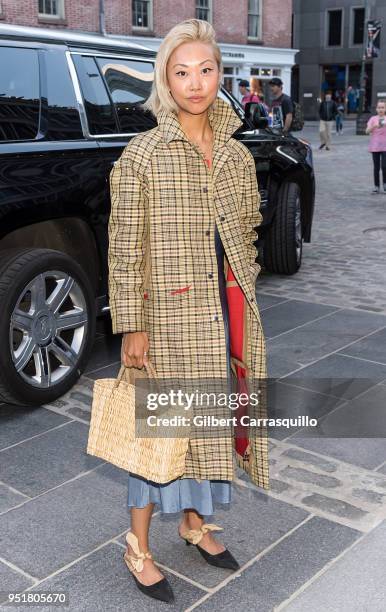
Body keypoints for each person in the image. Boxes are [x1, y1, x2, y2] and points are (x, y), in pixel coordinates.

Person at [108, 18, 269, 604]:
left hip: (223, 313)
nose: (195, 83)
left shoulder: (234, 155)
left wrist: (243, 287)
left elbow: (248, 227)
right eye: (182, 72)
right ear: (165, 81)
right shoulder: (143, 155)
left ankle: (194, 525)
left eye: (206, 70)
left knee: (210, 427)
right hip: (168, 318)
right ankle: (138, 545)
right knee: (157, 435)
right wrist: (133, 323)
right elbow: (124, 245)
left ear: (220, 75)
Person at [365, 99, 386, 194]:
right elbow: (366, 131)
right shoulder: (373, 119)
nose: (380, 109)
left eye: (382, 107)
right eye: (379, 107)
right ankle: (376, 186)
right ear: (376, 109)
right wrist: (374, 126)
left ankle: (385, 184)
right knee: (376, 167)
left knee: (385, 166)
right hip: (375, 146)